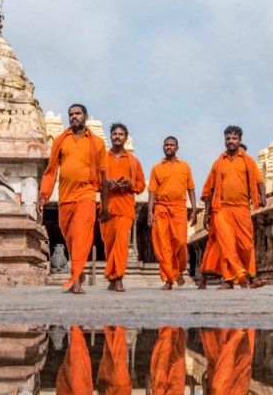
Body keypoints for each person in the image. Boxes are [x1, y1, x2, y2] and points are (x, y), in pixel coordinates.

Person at [39, 104, 107, 294]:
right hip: (65, 197)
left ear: (85, 116)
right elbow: (51, 170)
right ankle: (79, 270)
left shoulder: (97, 143)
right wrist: (43, 196)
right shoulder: (61, 140)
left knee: (81, 235)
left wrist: (106, 204)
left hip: (87, 194)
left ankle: (76, 280)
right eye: (71, 114)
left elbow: (103, 175)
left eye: (78, 113)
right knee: (69, 237)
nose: (74, 117)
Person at [201, 126, 265, 290]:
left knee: (246, 244)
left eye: (234, 139)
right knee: (226, 245)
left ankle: (249, 275)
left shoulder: (248, 161)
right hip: (221, 210)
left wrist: (263, 196)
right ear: (225, 140)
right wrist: (206, 213)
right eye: (228, 138)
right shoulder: (218, 162)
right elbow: (209, 190)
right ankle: (229, 280)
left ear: (240, 140)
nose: (231, 141)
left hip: (242, 208)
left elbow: (259, 181)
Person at [100, 123, 145, 293]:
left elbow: (141, 185)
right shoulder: (102, 158)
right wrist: (106, 183)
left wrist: (130, 184)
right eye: (114, 134)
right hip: (106, 208)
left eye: (121, 134)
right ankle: (112, 278)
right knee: (110, 245)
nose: (117, 137)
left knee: (121, 243)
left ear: (126, 137)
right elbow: (94, 180)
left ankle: (118, 277)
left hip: (126, 208)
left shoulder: (134, 162)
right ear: (110, 136)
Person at [147, 137, 197, 290]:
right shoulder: (156, 168)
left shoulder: (185, 166)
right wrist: (150, 212)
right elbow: (152, 193)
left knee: (181, 243)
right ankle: (168, 279)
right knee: (164, 245)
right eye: (166, 145)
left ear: (177, 147)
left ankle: (179, 269)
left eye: (172, 145)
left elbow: (191, 188)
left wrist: (194, 209)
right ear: (163, 147)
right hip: (161, 208)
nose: (169, 147)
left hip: (179, 209)